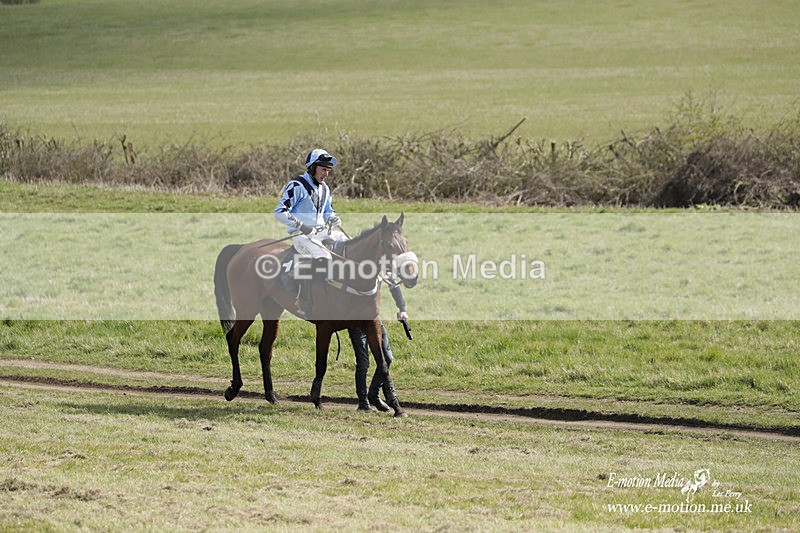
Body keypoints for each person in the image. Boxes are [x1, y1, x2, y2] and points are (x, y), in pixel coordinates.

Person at [274, 149, 347, 317]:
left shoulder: (325, 189)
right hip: (301, 236)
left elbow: (328, 211)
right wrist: (301, 225)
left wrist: (334, 219)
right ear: (313, 167)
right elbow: (279, 212)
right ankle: (303, 298)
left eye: (328, 170)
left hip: (321, 233)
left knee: (347, 243)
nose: (326, 173)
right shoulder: (297, 185)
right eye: (323, 169)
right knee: (324, 258)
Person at [348, 283, 408, 411]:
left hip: (374, 322)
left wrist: (402, 308)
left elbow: (393, 283)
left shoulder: (379, 269)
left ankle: (374, 394)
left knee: (387, 358)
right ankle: (363, 403)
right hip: (355, 321)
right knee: (363, 362)